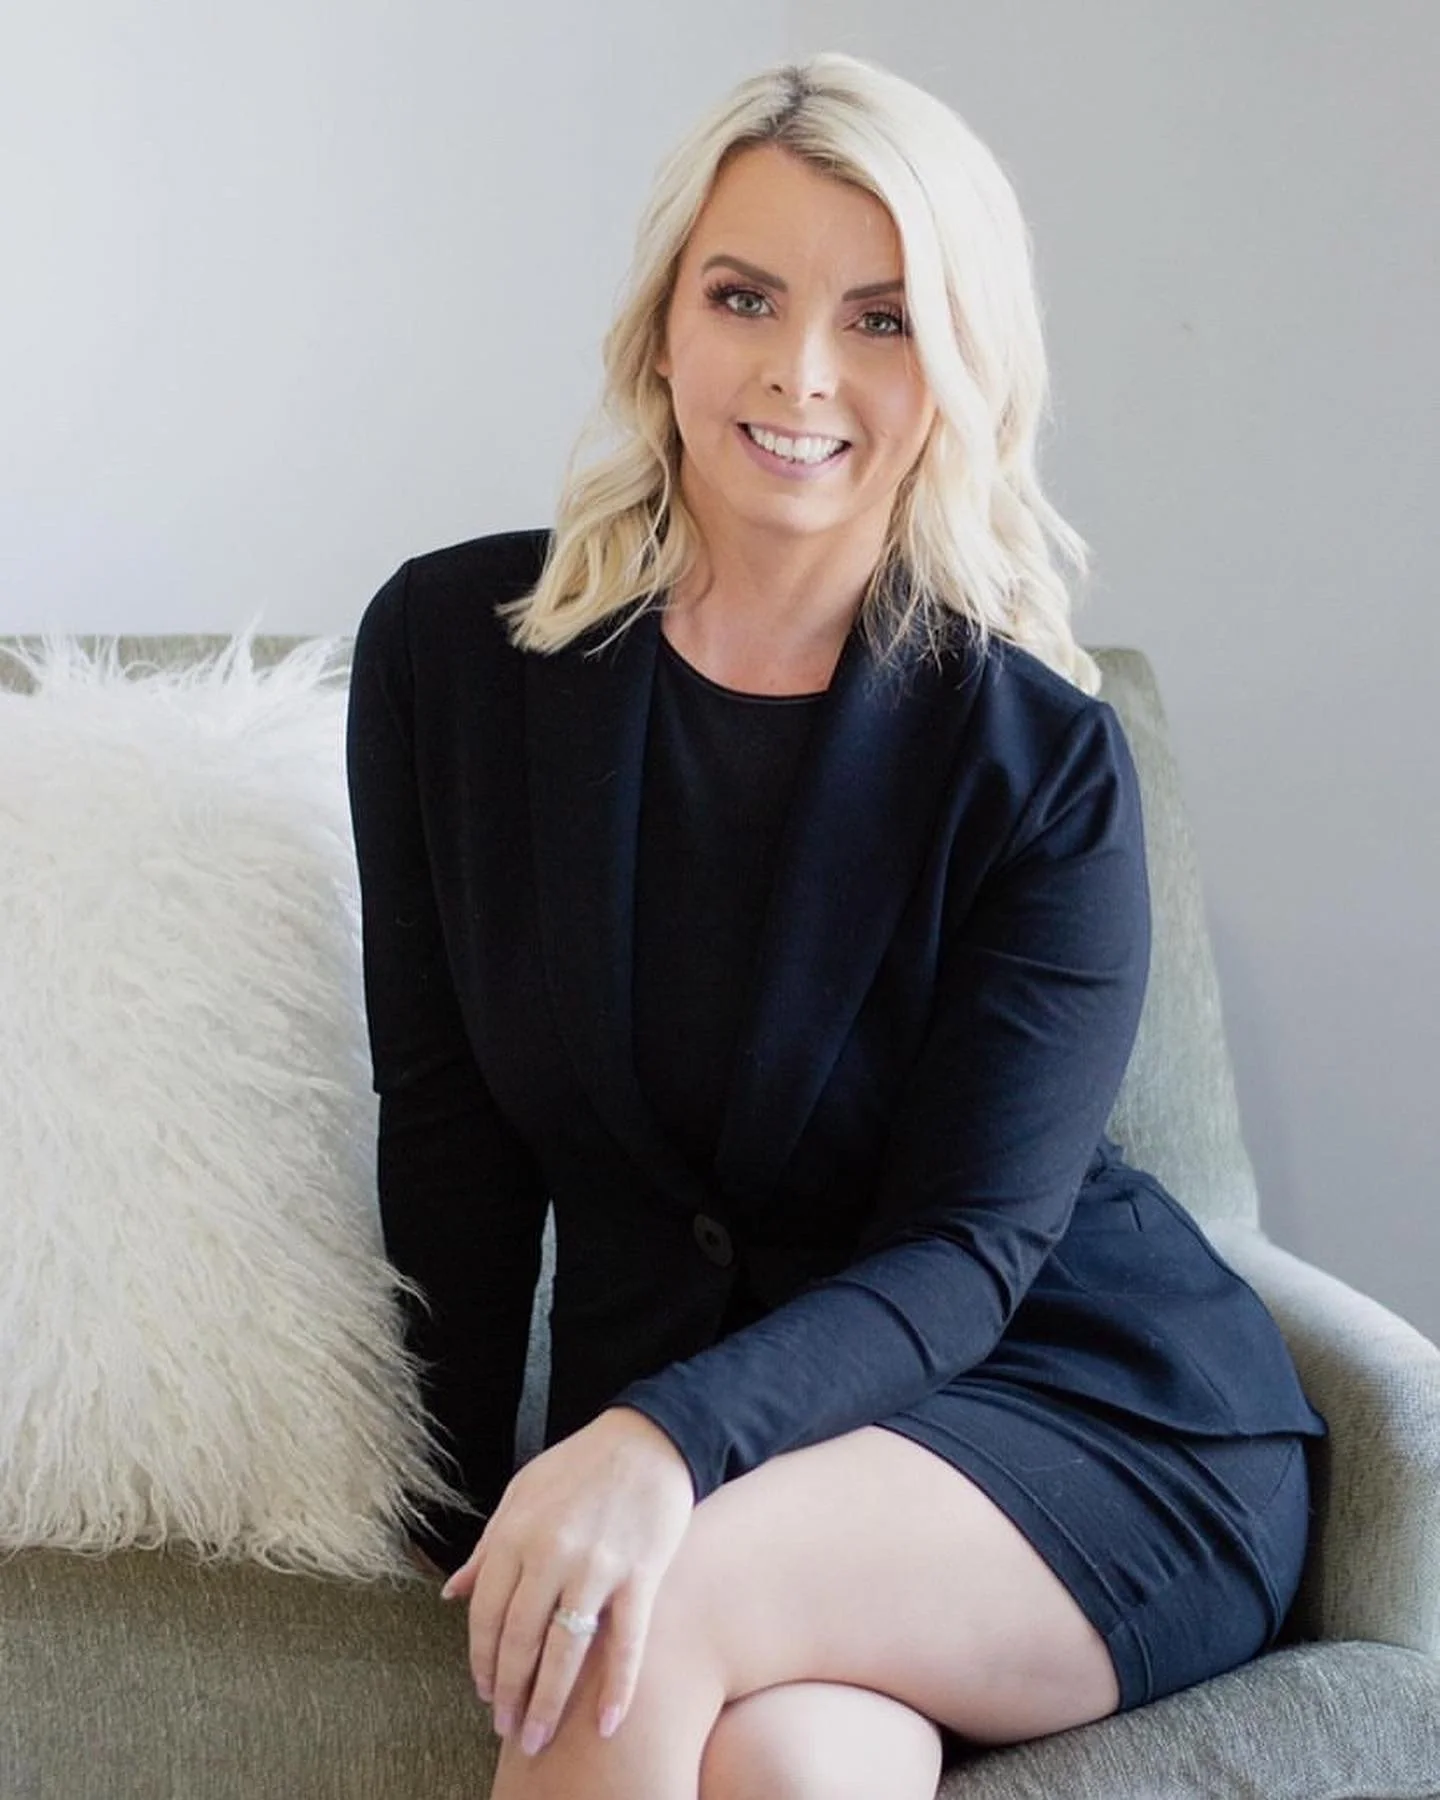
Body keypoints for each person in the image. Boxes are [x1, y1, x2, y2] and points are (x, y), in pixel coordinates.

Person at [344, 50, 1327, 1800]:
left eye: (881, 320)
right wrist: (452, 1494)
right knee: (796, 1769)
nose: (803, 371)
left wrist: (653, 1444)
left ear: (956, 371)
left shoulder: (1040, 760)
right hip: (756, 1456)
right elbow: (449, 1127)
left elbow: (971, 1248)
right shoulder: (452, 657)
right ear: (664, 326)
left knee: (646, 1602)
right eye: (747, 297)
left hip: (1079, 1408)